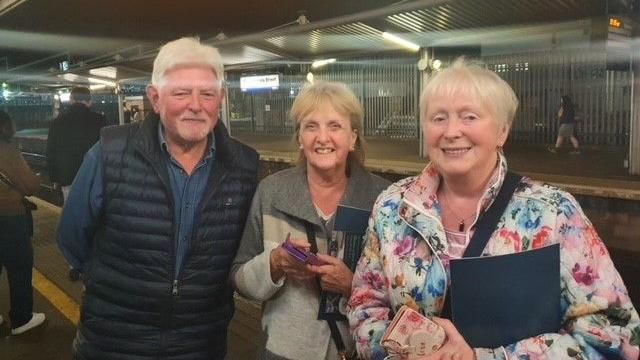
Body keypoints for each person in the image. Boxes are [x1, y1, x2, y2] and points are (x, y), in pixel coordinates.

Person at [348, 59, 640, 360]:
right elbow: (365, 304)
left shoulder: (554, 213)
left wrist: (484, 358)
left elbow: (615, 334)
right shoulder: (392, 207)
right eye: (438, 118)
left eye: (469, 117)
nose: (451, 131)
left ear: (502, 130)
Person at [56, 37, 259, 359]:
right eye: (181, 92)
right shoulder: (110, 153)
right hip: (114, 341)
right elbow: (71, 235)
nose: (195, 104)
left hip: (200, 343)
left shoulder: (244, 165)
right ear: (155, 98)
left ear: (220, 99)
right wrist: (106, 285)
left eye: (207, 93)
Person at [231, 81, 390, 360]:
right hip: (282, 351)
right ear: (300, 139)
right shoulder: (271, 193)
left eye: (335, 126)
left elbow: (403, 295)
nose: (322, 137)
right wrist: (274, 264)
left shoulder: (382, 201)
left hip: (357, 351)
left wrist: (352, 284)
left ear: (353, 138)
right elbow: (240, 277)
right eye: (311, 126)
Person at [47, 86, 106, 281]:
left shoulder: (57, 123)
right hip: (98, 178)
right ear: (89, 101)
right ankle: (96, 258)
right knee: (98, 218)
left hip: (68, 177)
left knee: (73, 216)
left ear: (71, 100)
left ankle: (74, 263)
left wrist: (54, 178)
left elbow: (51, 153)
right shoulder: (100, 121)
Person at [0, 110, 46, 335]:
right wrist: (35, 178)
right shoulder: (6, 150)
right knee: (19, 267)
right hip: (9, 218)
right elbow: (28, 186)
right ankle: (21, 318)